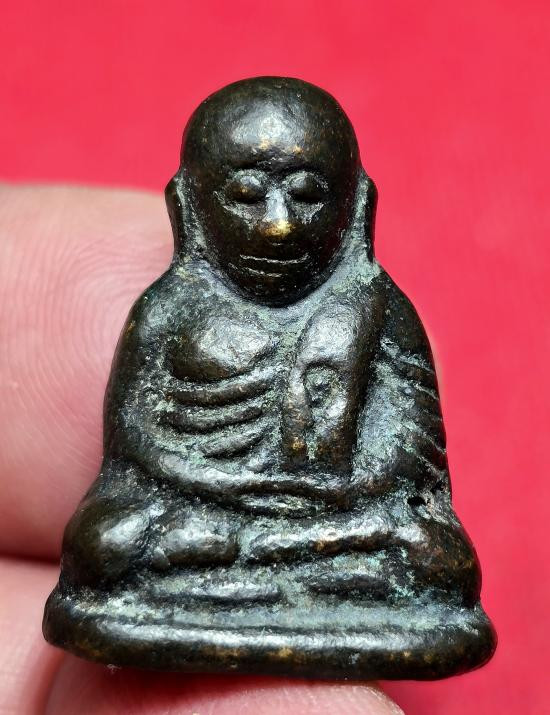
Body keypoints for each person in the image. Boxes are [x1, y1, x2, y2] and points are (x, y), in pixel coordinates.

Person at [0, 182, 403, 713]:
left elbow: (411, 462)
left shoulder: (378, 310)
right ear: (189, 206)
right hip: (198, 504)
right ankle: (274, 572)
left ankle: (246, 573)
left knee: (429, 556)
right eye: (246, 196)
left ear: (357, 205)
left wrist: (340, 490)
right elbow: (135, 446)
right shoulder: (167, 308)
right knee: (105, 545)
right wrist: (227, 486)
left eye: (308, 195)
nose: (279, 225)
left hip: (329, 513)